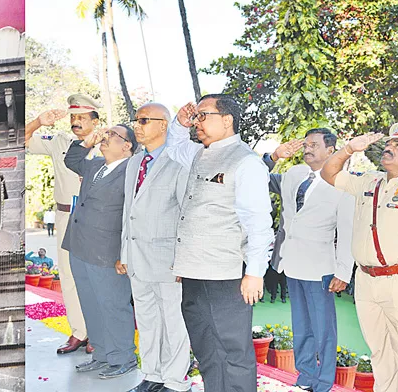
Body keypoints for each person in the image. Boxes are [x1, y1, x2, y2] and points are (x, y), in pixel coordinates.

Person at [322, 123, 398, 392]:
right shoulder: (369, 180)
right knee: (379, 349)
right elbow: (328, 173)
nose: (389, 147)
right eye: (389, 144)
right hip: (366, 279)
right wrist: (349, 149)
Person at [167, 94, 274, 392]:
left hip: (226, 273)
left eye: (204, 116)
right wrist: (179, 122)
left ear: (227, 120)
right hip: (194, 270)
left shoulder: (246, 162)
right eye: (196, 117)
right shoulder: (200, 154)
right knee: (205, 345)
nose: (197, 123)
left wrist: (254, 273)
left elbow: (259, 223)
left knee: (233, 350)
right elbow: (173, 147)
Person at [263, 128, 355, 392]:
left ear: (331, 150)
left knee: (323, 330)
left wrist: (343, 272)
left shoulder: (344, 184)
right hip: (291, 264)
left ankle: (324, 382)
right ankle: (305, 377)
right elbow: (259, 180)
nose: (307, 148)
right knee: (301, 326)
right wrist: (274, 156)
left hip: (321, 268)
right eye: (306, 144)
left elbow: (347, 231)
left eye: (314, 144)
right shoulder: (294, 174)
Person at [121, 103, 191, 392]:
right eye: (136, 120)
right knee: (148, 321)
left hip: (168, 259)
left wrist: (184, 260)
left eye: (144, 120)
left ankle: (175, 381)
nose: (137, 126)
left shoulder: (180, 161)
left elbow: (186, 213)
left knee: (173, 322)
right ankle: (152, 375)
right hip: (137, 259)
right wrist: (124, 253)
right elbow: (129, 210)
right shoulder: (136, 162)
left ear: (163, 125)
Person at [25, 93, 101, 354]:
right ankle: (79, 332)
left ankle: (99, 333)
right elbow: (21, 141)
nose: (76, 122)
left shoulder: (107, 143)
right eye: (73, 117)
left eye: (82, 117)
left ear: (95, 120)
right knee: (68, 275)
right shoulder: (59, 141)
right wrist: (38, 122)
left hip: (95, 217)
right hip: (65, 215)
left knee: (96, 275)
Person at [62, 124, 139, 379]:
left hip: (108, 251)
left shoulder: (133, 170)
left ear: (127, 145)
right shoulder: (94, 164)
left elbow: (133, 215)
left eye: (112, 136)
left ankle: (123, 357)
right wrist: (87, 142)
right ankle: (102, 354)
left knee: (113, 305)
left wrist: (125, 253)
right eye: (105, 136)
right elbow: (71, 159)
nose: (105, 139)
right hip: (79, 245)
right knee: (91, 303)